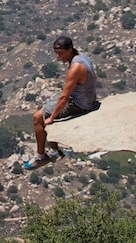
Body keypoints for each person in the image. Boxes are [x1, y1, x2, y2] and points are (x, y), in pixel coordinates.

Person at [24, 35, 99, 170]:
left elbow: (64, 98)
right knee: (48, 106)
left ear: (70, 50)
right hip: (86, 98)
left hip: (79, 104)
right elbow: (95, 76)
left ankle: (42, 156)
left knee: (38, 117)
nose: (58, 57)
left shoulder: (75, 67)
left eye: (61, 53)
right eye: (56, 53)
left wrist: (51, 118)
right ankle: (53, 150)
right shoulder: (82, 56)